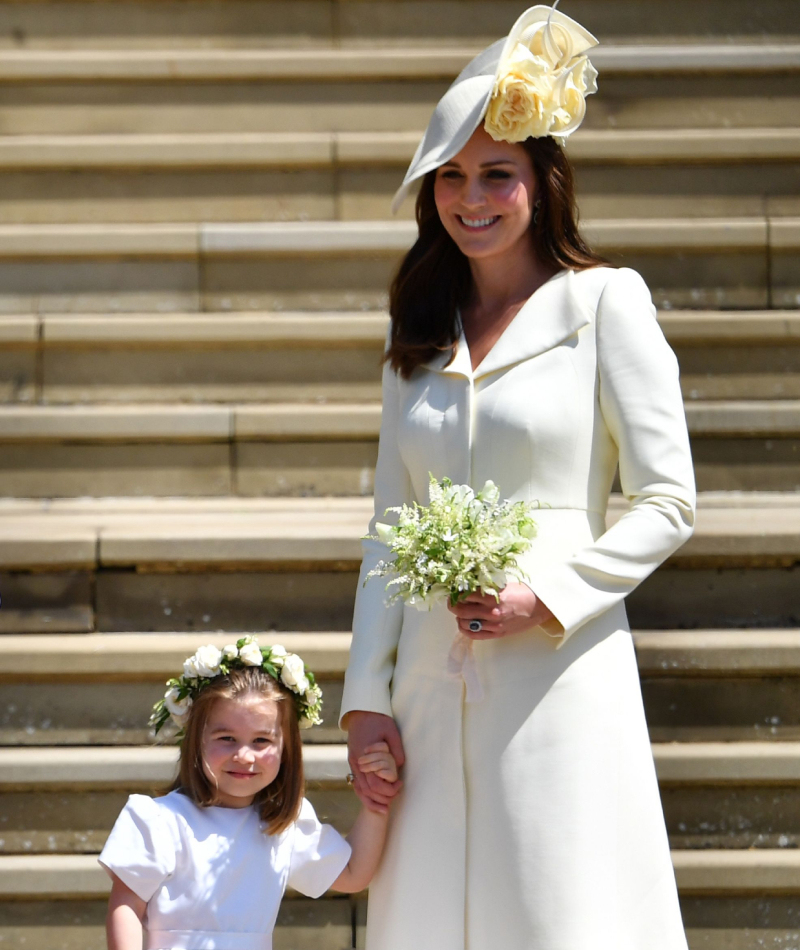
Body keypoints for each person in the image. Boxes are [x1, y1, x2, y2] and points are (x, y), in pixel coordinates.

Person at [340, 5, 696, 950]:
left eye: (497, 174)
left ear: (543, 180)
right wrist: (365, 702)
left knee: (557, 907)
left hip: (557, 675)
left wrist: (546, 596)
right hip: (424, 678)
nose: (473, 198)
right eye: (451, 177)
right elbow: (388, 526)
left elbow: (669, 500)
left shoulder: (604, 302)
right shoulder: (417, 333)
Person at [99, 638, 398, 950]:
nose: (244, 755)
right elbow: (126, 908)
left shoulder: (283, 826)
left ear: (286, 749)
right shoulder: (159, 820)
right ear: (196, 740)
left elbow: (352, 874)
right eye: (227, 738)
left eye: (260, 741)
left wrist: (378, 800)